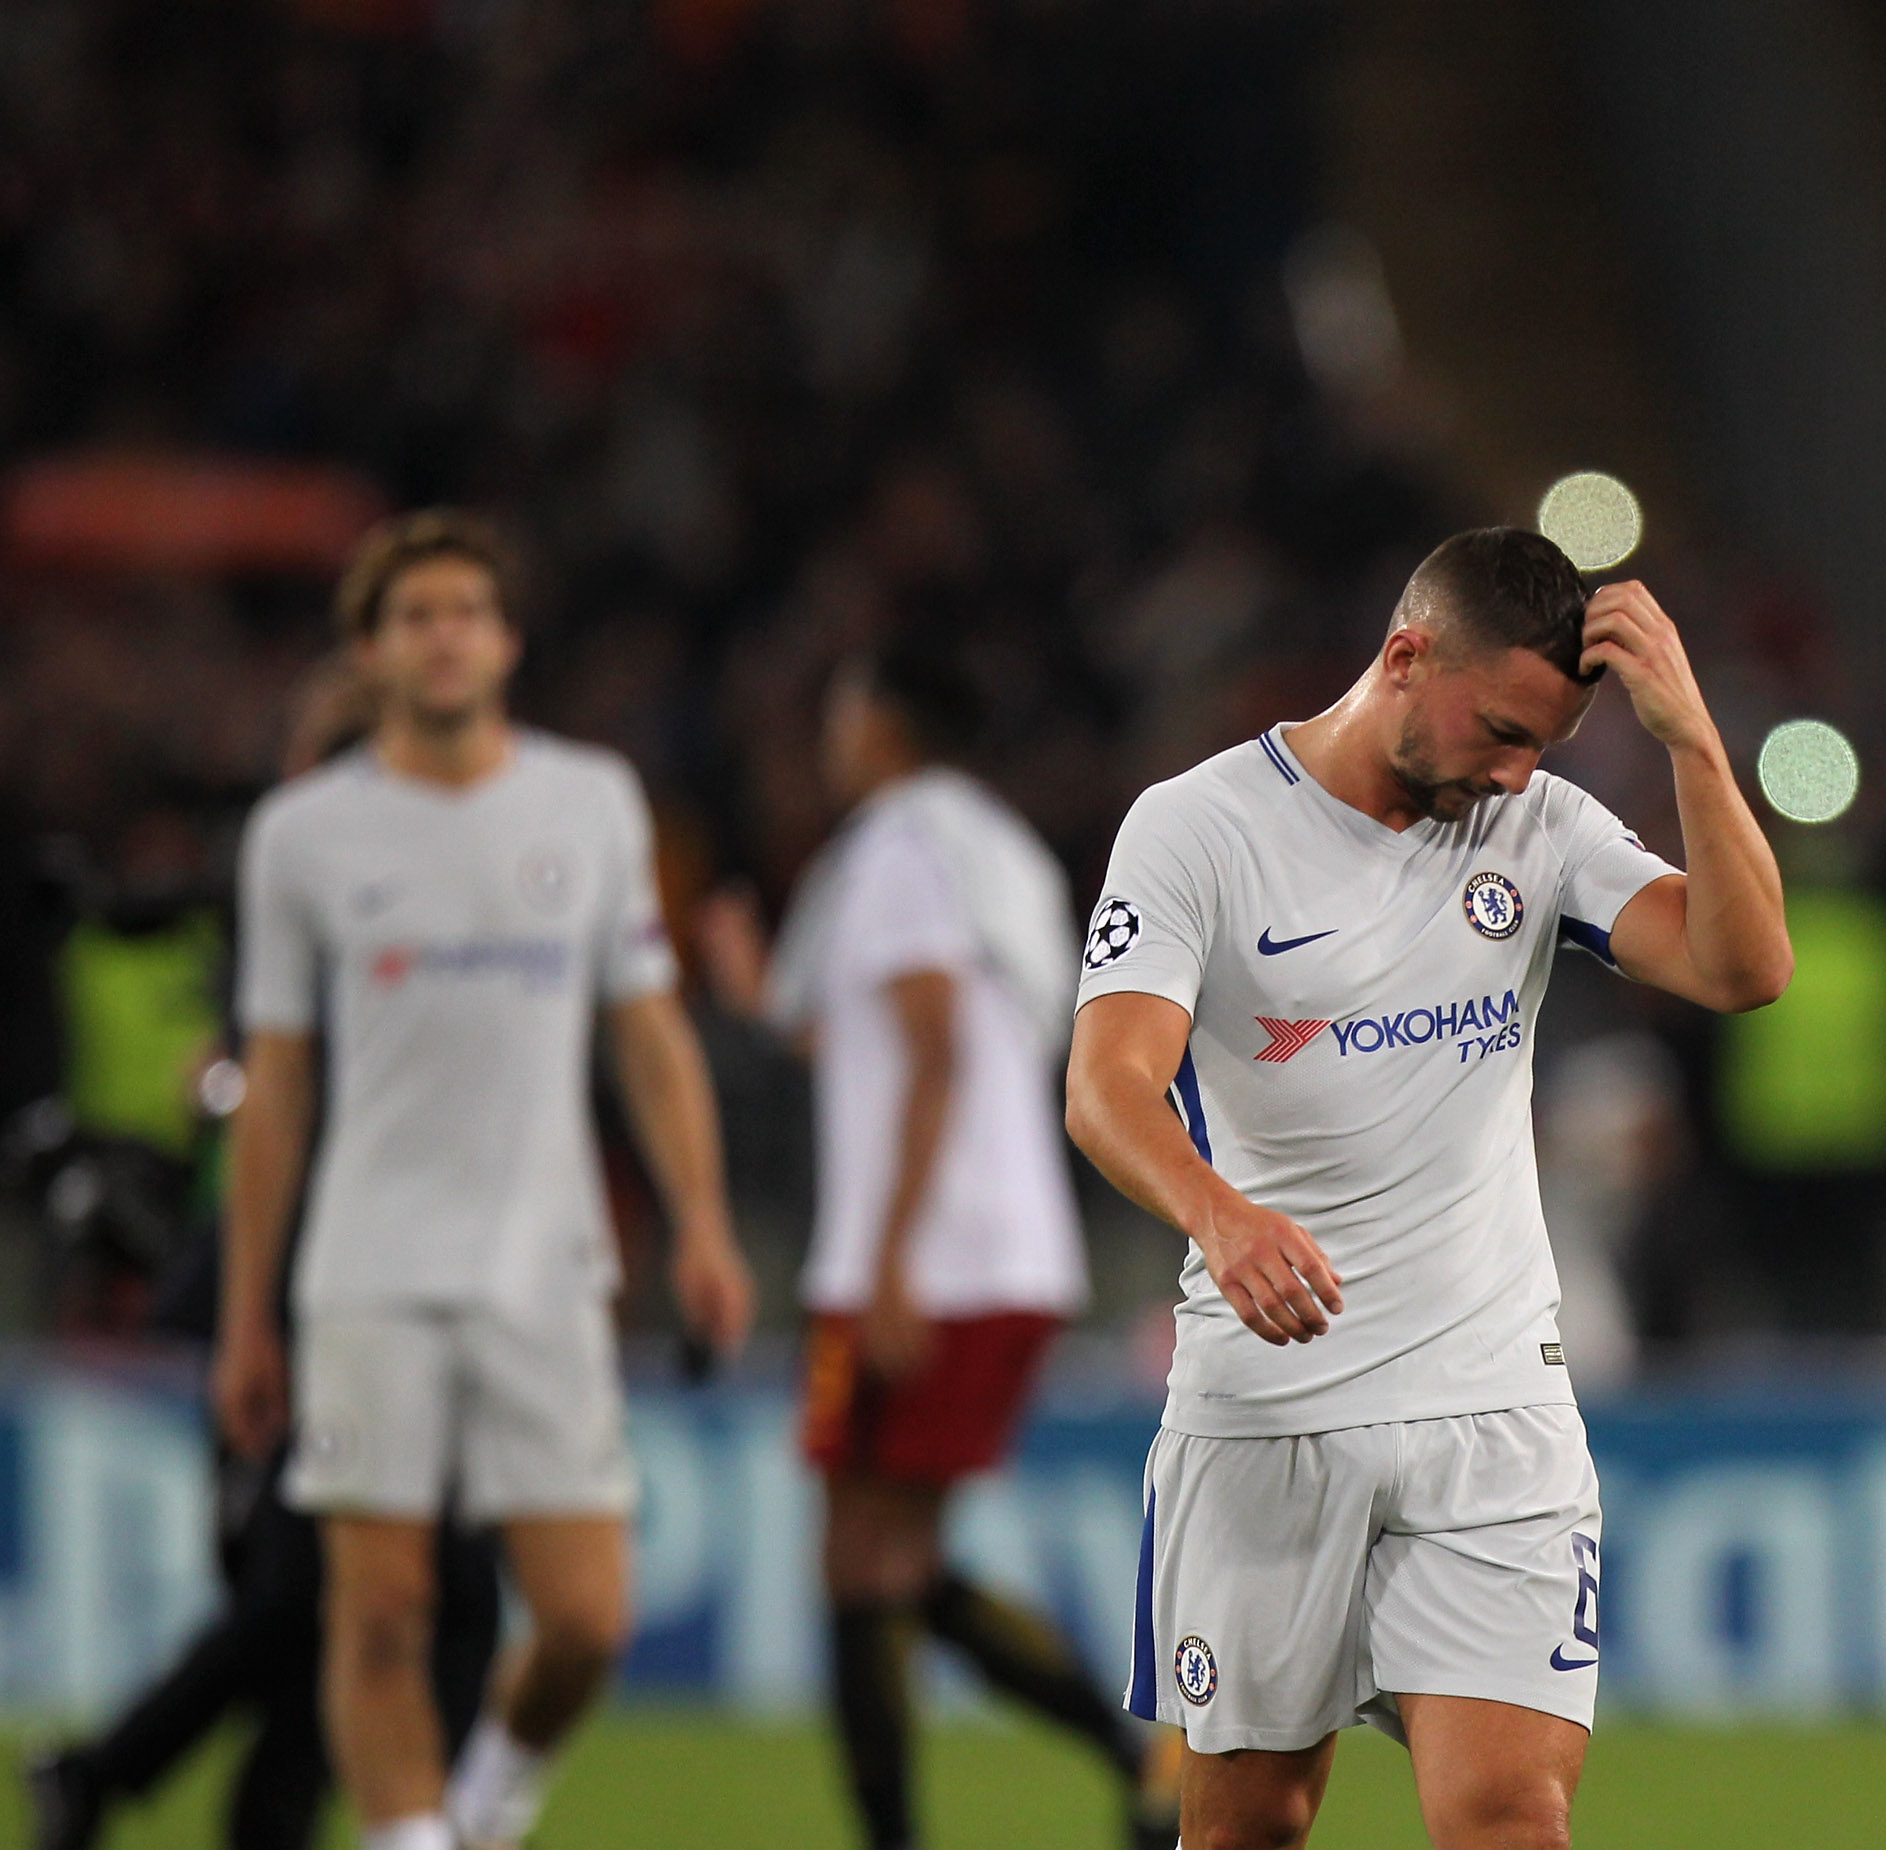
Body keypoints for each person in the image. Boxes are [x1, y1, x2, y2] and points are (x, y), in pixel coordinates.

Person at [1066, 528, 1792, 1850]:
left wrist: (1693, 740)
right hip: (1271, 1410)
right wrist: (1219, 1214)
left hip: (1493, 1410)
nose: (1515, 769)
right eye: (1502, 728)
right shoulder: (1200, 827)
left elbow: (1743, 965)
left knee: (1511, 1816)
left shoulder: (1538, 826)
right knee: (1246, 1827)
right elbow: (1107, 1082)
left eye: (1544, 746)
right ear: (1406, 656)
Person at [210, 510, 757, 1850]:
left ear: (507, 641)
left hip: (545, 1263)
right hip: (369, 1267)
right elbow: (276, 1085)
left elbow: (648, 1030)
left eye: (467, 610)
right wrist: (246, 1306)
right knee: (379, 1610)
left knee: (586, 1615)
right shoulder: (304, 834)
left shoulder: (590, 800)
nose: (445, 634)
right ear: (372, 650)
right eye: (416, 615)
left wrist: (702, 1221)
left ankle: (482, 1803)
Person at [698, 638, 1181, 1850]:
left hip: (926, 1257)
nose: (832, 731)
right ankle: (1139, 1760)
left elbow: (930, 1050)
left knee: (861, 1559)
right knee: (885, 1559)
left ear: (885, 725)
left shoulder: (901, 851)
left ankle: (1024, 1789)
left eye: (847, 707)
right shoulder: (993, 851)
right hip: (1003, 1248)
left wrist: (897, 1253)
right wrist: (765, 992)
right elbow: (885, 1039)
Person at [25, 658, 507, 1850]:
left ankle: (108, 1775)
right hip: (305, 1306)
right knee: (313, 1596)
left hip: (379, 1302)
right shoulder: (307, 915)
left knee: (336, 1612)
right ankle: (110, 1773)